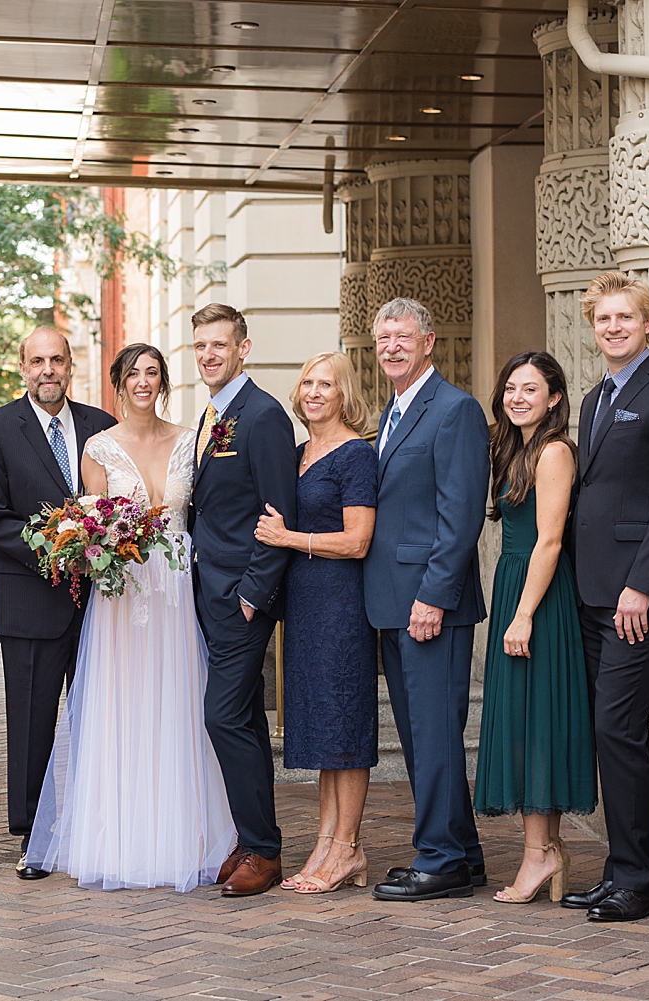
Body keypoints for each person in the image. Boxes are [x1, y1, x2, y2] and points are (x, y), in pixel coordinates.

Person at [27, 344, 235, 891]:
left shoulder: (192, 441)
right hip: (123, 595)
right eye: (133, 374)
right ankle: (119, 839)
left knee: (179, 704)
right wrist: (108, 544)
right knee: (123, 708)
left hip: (177, 589)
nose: (143, 382)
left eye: (153, 373)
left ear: (163, 382)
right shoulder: (98, 447)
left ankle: (182, 836)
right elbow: (92, 523)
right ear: (118, 384)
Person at [562, 272, 649, 922]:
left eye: (625, 317)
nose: (613, 327)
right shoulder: (595, 398)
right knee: (615, 731)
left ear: (647, 323)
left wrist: (640, 584)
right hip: (595, 590)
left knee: (615, 724)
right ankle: (623, 869)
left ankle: (640, 883)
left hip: (642, 593)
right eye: (603, 319)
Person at [0, 326, 117, 879]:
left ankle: (93, 824)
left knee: (97, 717)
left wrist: (102, 551)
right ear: (23, 367)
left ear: (70, 364)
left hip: (99, 606)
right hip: (30, 600)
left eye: (57, 359)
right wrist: (60, 552)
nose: (47, 370)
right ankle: (35, 835)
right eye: (37, 361)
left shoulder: (102, 427)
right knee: (31, 722)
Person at [364, 298, 489, 903]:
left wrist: (435, 596)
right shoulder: (390, 413)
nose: (391, 346)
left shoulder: (455, 409)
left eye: (402, 337)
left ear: (429, 342)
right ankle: (461, 853)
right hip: (392, 600)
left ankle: (437, 858)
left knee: (436, 731)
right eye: (383, 337)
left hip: (430, 602)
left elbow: (461, 514)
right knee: (420, 733)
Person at [472, 352, 596, 904]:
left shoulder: (553, 452)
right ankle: (545, 851)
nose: (517, 397)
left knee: (539, 720)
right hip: (514, 585)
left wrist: (523, 614)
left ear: (554, 399)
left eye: (530, 389)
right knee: (523, 719)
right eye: (510, 389)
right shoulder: (514, 449)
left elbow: (549, 540)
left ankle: (540, 855)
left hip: (539, 597)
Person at [254, 351, 377, 895]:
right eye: (307, 382)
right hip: (304, 607)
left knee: (345, 726)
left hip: (341, 605)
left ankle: (348, 847)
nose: (314, 392)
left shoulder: (356, 456)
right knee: (325, 730)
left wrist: (290, 539)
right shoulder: (300, 452)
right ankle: (327, 842)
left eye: (326, 383)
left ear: (345, 393)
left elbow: (357, 541)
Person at [188, 303, 298, 897]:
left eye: (219, 345)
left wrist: (255, 592)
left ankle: (263, 848)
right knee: (245, 718)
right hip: (207, 592)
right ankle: (256, 841)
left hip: (241, 596)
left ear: (243, 348)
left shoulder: (263, 417)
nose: (209, 355)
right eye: (200, 346)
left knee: (223, 715)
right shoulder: (211, 415)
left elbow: (280, 511)